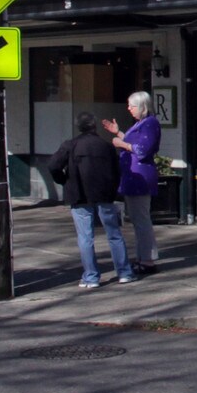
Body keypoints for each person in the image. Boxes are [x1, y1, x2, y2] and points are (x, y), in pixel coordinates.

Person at [47, 112, 135, 289]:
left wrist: (64, 180)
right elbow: (117, 171)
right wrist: (112, 189)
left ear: (78, 127)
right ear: (94, 126)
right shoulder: (106, 146)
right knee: (114, 234)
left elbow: (53, 165)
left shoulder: (71, 145)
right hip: (104, 194)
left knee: (85, 237)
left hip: (79, 194)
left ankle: (91, 276)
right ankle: (124, 272)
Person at [104, 91, 161, 275]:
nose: (129, 109)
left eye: (132, 106)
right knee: (137, 220)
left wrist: (120, 143)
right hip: (132, 176)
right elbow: (133, 143)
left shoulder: (150, 123)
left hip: (140, 177)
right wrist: (118, 133)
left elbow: (142, 150)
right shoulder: (140, 124)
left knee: (141, 219)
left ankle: (148, 260)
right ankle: (143, 257)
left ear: (142, 106)